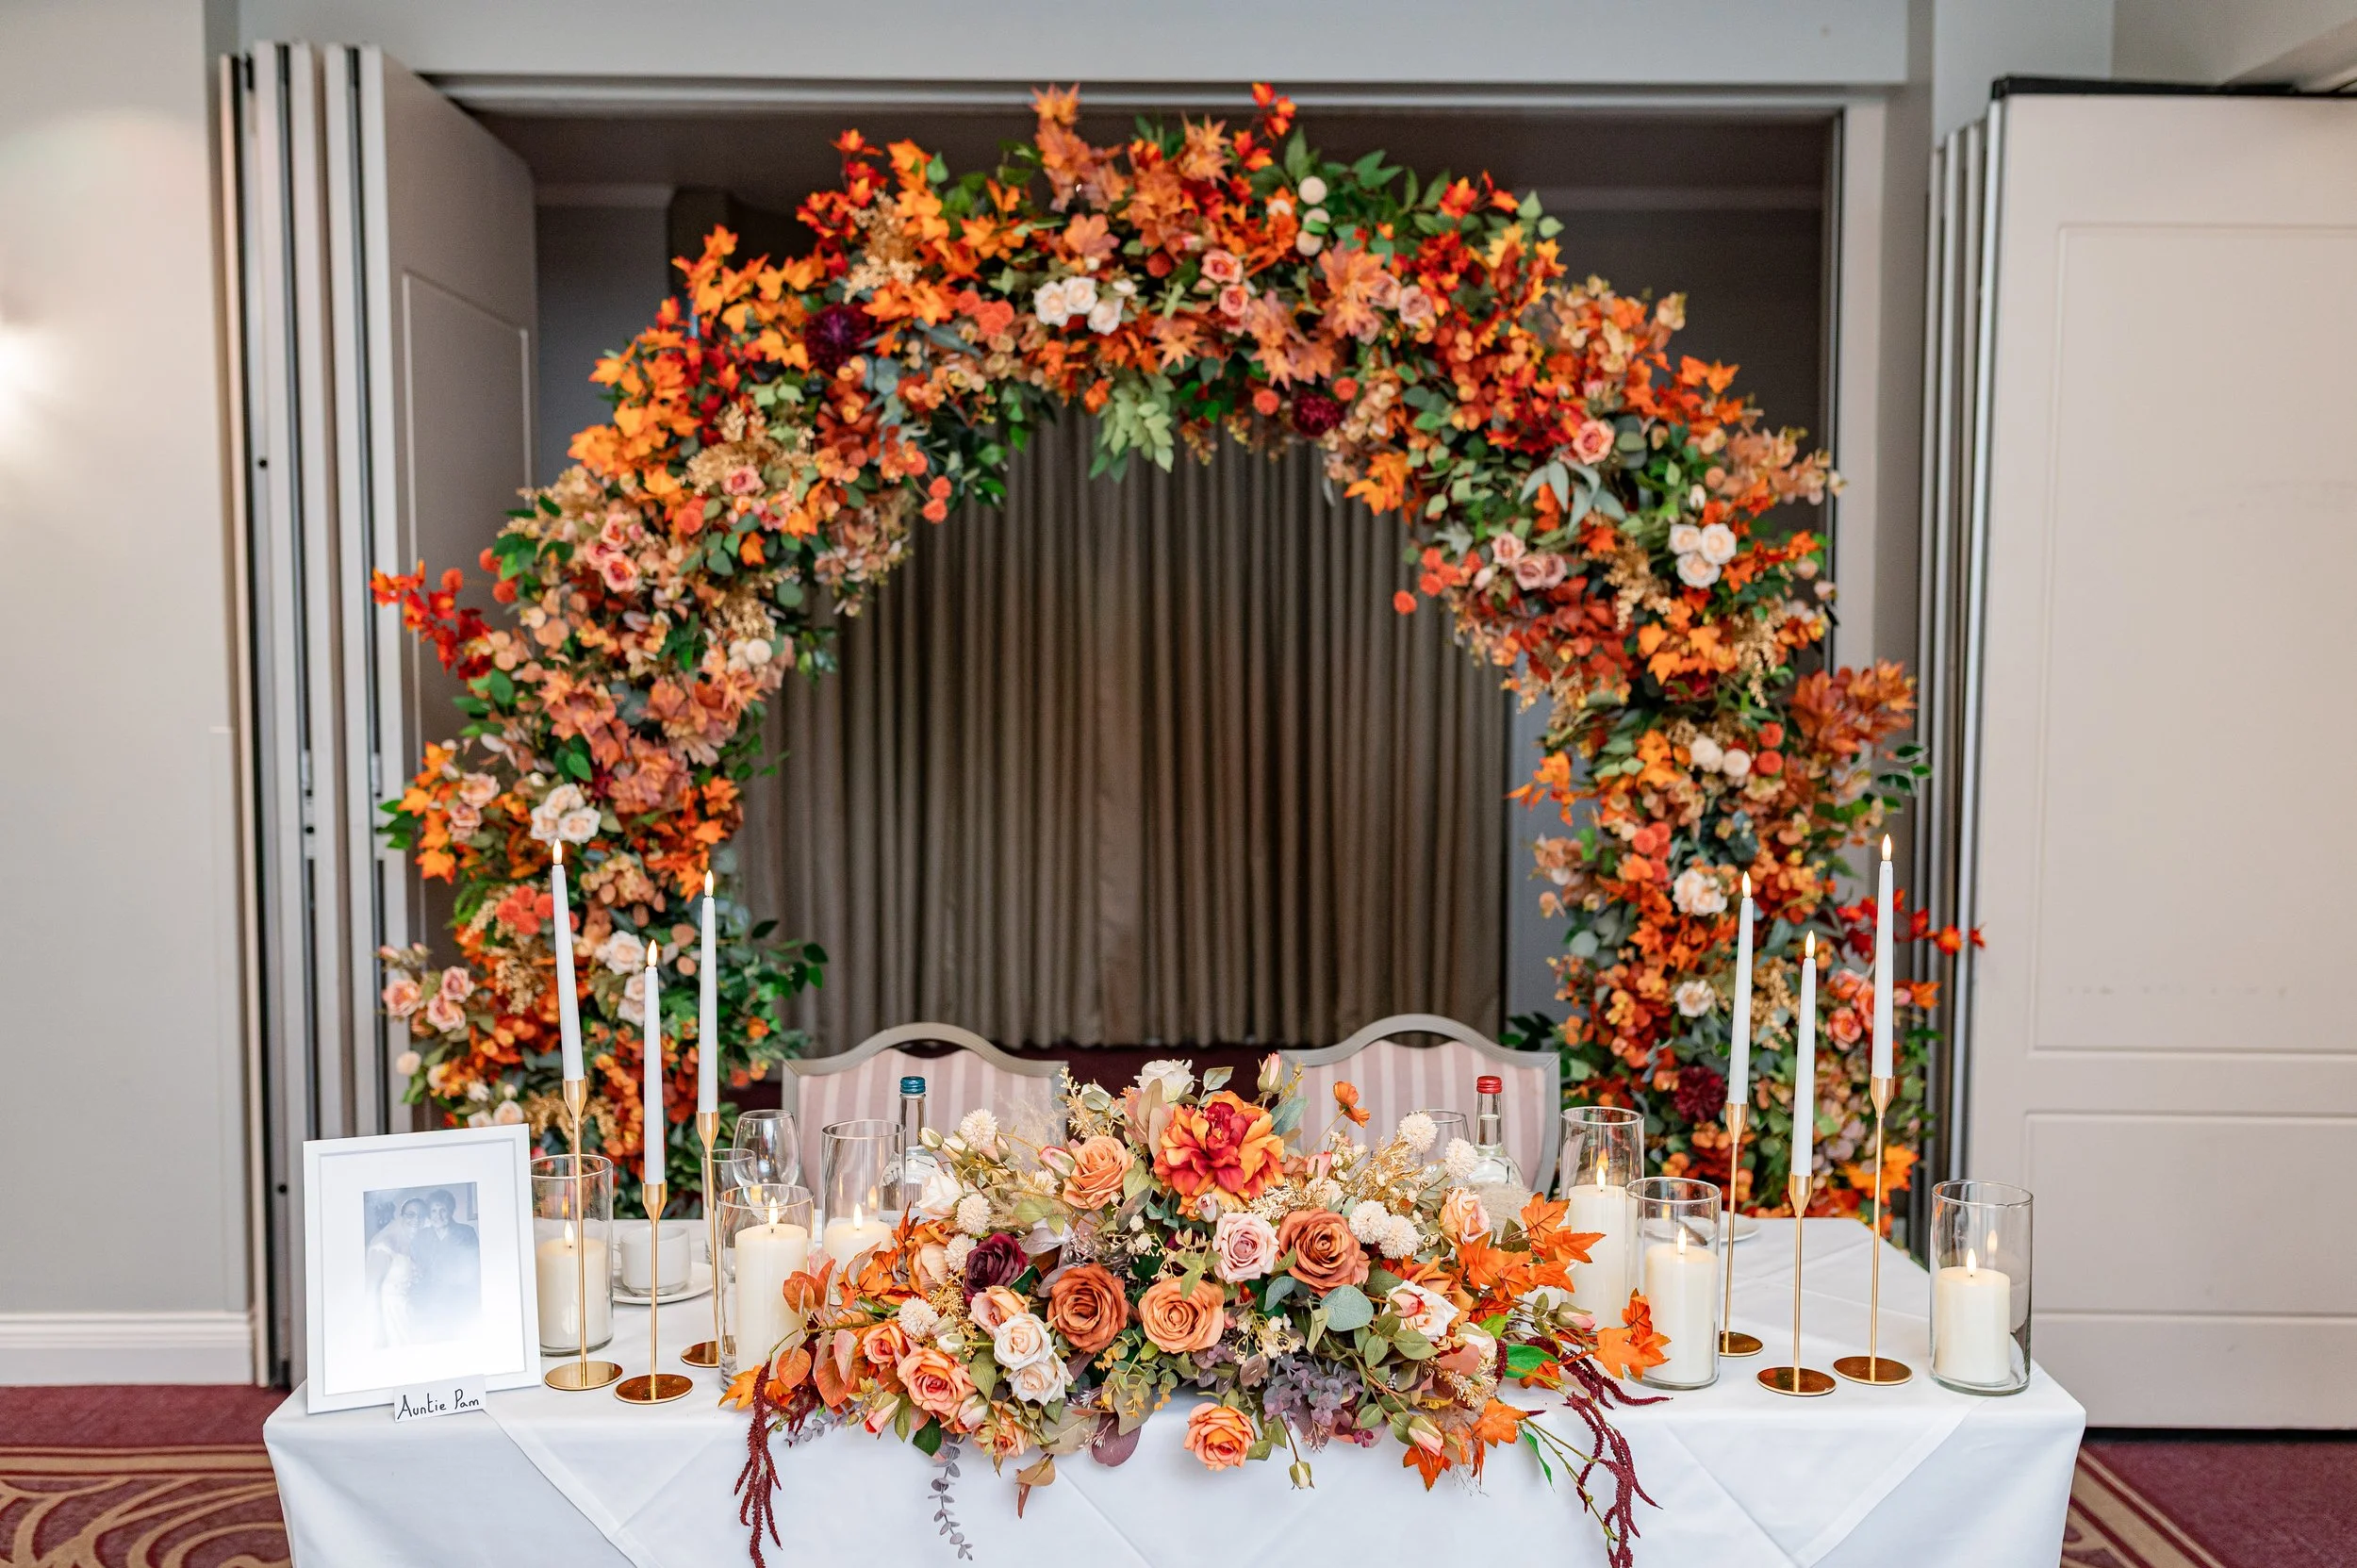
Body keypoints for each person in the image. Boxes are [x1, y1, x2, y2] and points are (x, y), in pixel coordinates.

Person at [414, 1189, 481, 1338]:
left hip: (457, 1296)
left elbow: (474, 1267)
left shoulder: (465, 1232)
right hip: (429, 1297)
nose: (438, 1216)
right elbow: (416, 1264)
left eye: (443, 1210)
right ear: (429, 1214)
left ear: (451, 1210)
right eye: (433, 1211)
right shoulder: (422, 1236)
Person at [363, 1199, 426, 1347]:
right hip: (388, 1313)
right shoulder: (383, 1246)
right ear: (401, 1217)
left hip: (407, 1312)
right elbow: (372, 1290)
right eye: (410, 1214)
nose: (416, 1219)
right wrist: (377, 1330)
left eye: (421, 1216)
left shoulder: (412, 1244)